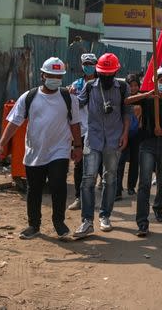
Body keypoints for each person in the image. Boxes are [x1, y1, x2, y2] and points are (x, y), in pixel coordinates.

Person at [0, 58, 82, 240]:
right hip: (35, 151)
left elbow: (75, 124)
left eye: (59, 76)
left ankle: (59, 223)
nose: (55, 79)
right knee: (34, 189)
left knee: (58, 185)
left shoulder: (68, 98)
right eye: (51, 75)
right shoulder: (29, 97)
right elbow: (13, 123)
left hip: (59, 150)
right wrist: (1, 144)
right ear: (43, 75)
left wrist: (77, 146)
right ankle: (34, 225)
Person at [73, 53, 130, 239]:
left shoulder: (122, 87)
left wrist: (125, 134)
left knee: (110, 179)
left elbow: (126, 112)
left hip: (114, 140)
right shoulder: (90, 87)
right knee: (88, 179)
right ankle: (87, 221)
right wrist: (68, 94)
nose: (106, 77)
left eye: (109, 74)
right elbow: (78, 103)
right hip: (93, 138)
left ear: (115, 72)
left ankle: (105, 216)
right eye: (103, 74)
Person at [125, 67, 162, 236]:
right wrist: (146, 94)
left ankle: (158, 207)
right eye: (161, 81)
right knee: (144, 183)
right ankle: (142, 222)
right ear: (156, 82)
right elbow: (127, 101)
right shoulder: (148, 99)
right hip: (147, 145)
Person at [67, 53, 97, 211]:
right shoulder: (76, 85)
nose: (88, 66)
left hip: (97, 130)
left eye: (91, 63)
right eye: (86, 63)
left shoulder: (101, 83)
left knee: (95, 165)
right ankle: (79, 197)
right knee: (79, 165)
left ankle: (91, 196)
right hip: (80, 130)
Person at [115, 73, 141, 199]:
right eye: (131, 86)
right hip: (122, 133)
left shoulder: (143, 98)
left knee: (135, 161)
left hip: (137, 135)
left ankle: (131, 187)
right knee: (120, 161)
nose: (133, 88)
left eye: (136, 85)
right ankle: (118, 189)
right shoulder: (121, 97)